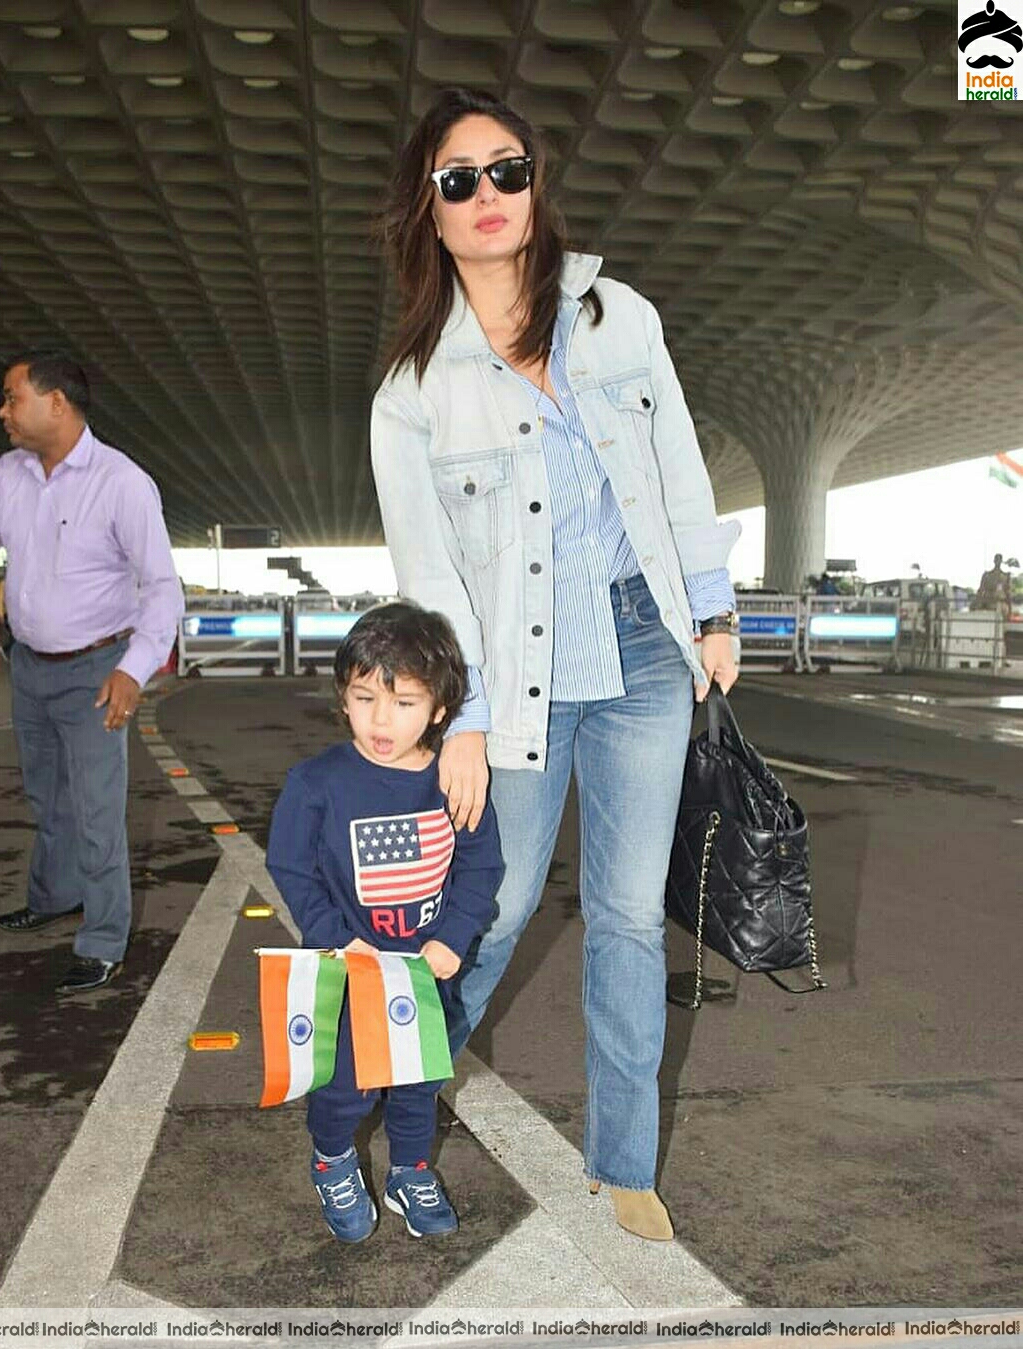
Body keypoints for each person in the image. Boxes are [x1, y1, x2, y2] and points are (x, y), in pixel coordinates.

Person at [371, 88, 741, 1241]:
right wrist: (462, 718)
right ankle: (401, 1105)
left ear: (537, 184)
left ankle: (624, 1161)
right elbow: (430, 576)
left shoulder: (618, 316)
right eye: (458, 179)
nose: (488, 195)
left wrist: (714, 609)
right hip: (511, 686)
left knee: (630, 914)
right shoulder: (413, 392)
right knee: (495, 903)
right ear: (428, 213)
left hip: (641, 651)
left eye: (507, 169)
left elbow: (678, 468)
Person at [0, 351, 183, 993]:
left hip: (98, 670)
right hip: (29, 667)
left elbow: (162, 587)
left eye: (10, 396)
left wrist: (134, 670)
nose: (2, 410)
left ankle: (103, 940)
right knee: (48, 796)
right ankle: (52, 895)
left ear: (56, 403)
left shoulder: (122, 482)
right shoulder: (5, 478)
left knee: (97, 810)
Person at [266, 602, 503, 1243]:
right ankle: (333, 1156)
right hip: (351, 968)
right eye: (365, 697)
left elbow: (483, 867)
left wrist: (454, 939)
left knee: (419, 1082)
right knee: (345, 1083)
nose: (381, 719)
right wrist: (331, 934)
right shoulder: (316, 782)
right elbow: (289, 864)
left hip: (427, 969)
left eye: (404, 703)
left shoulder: (454, 781)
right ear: (343, 696)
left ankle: (411, 1169)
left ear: (440, 711)